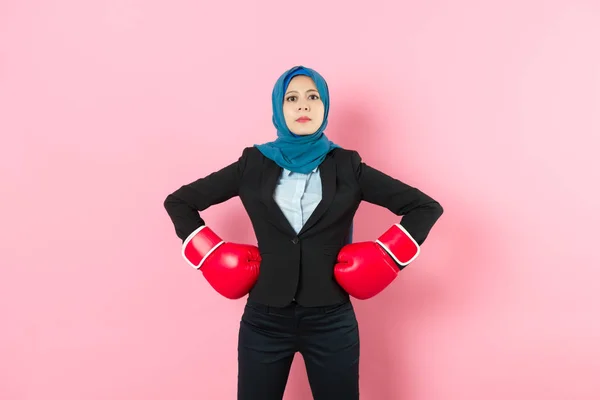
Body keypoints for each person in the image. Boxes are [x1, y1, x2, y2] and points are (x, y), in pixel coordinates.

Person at [163, 65, 444, 400]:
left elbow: (425, 208)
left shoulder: (347, 165)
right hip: (264, 322)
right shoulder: (252, 164)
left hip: (332, 321)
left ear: (325, 106)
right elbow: (179, 202)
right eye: (292, 98)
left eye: (313, 97)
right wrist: (209, 256)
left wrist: (388, 258)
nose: (303, 106)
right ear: (279, 109)